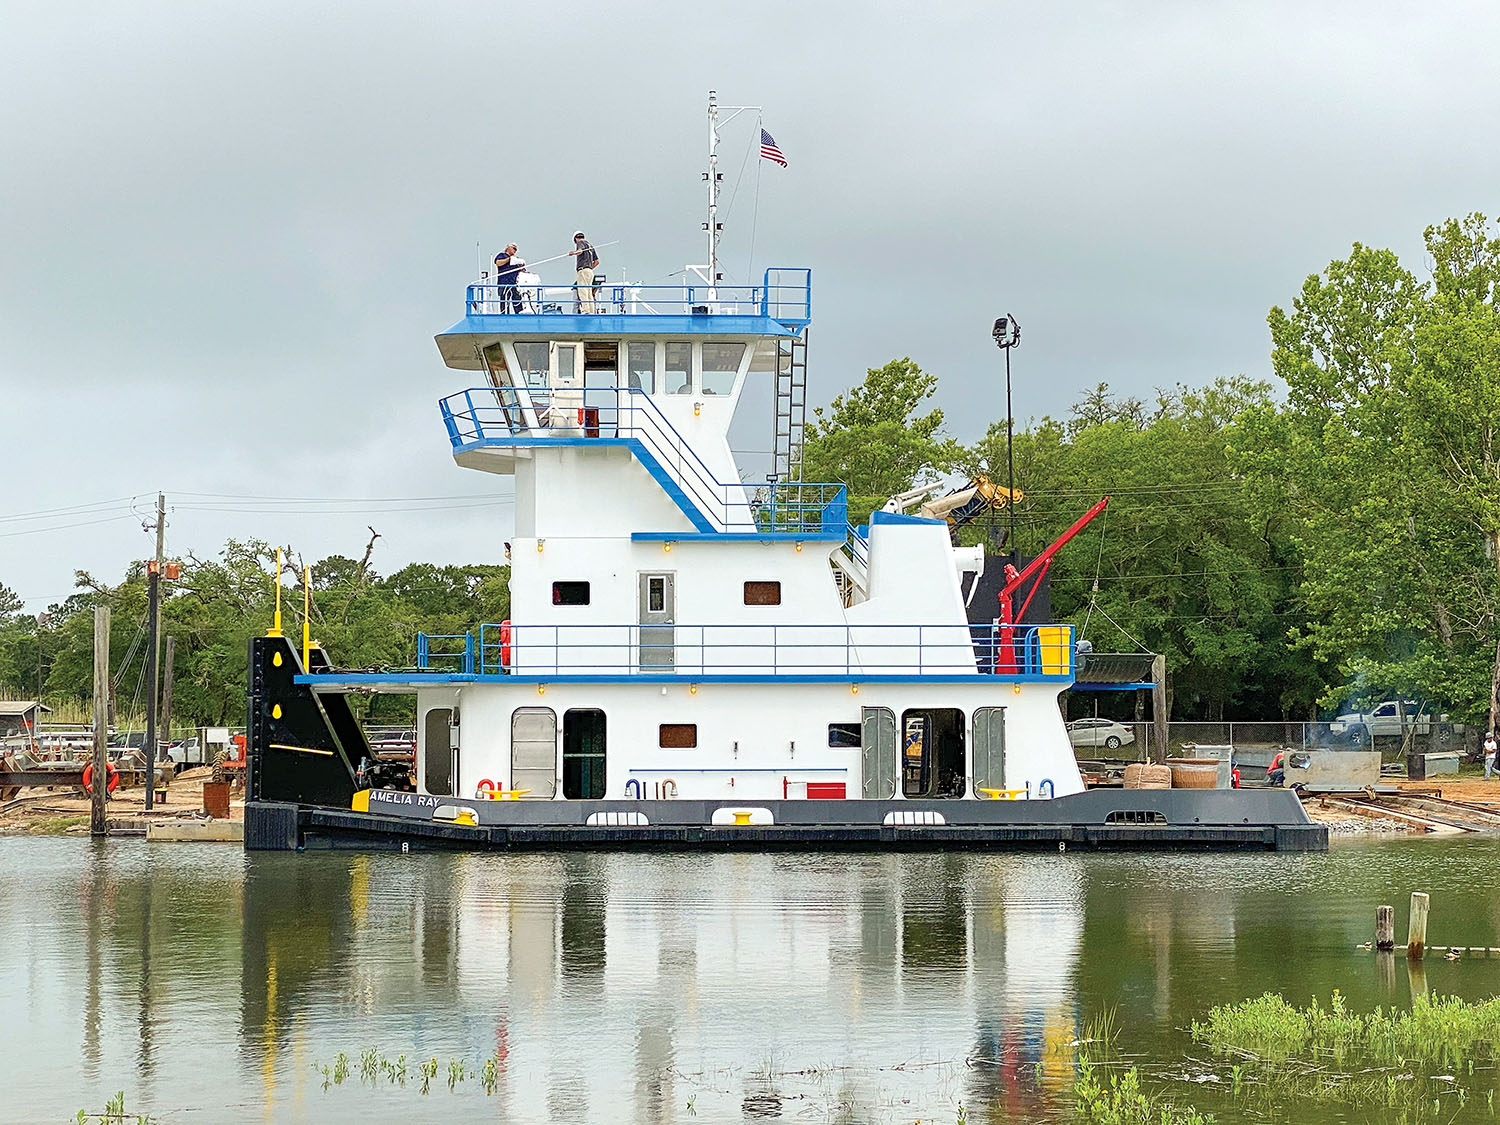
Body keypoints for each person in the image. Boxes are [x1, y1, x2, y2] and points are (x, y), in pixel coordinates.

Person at [569, 231, 599, 313]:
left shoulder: (580, 242)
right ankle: (592, 310)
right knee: (589, 291)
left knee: (583, 291)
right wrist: (589, 268)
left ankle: (586, 311)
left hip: (582, 270)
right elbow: (596, 261)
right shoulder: (590, 246)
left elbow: (580, 251)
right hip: (589, 271)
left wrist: (573, 253)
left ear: (575, 238)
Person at [494, 245, 524, 313]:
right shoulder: (502, 255)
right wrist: (509, 259)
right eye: (513, 248)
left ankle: (519, 315)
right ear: (508, 248)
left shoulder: (516, 259)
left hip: (514, 284)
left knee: (517, 302)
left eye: (516, 249)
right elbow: (498, 263)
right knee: (504, 302)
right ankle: (504, 316)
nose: (515, 250)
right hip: (504, 283)